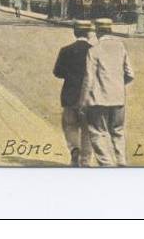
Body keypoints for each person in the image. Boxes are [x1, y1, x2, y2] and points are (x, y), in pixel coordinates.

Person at [80, 18, 134, 167]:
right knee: (118, 131)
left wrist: (84, 101)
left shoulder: (94, 50)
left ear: (98, 31)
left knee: (97, 131)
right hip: (118, 98)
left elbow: (89, 78)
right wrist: (117, 86)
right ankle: (122, 161)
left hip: (99, 100)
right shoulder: (120, 47)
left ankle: (107, 164)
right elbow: (130, 74)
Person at [52, 19, 95, 167]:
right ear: (89, 34)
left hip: (69, 94)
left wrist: (70, 74)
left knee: (70, 125)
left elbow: (57, 72)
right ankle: (85, 161)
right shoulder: (94, 51)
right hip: (89, 97)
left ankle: (74, 150)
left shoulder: (65, 50)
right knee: (88, 129)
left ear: (75, 32)